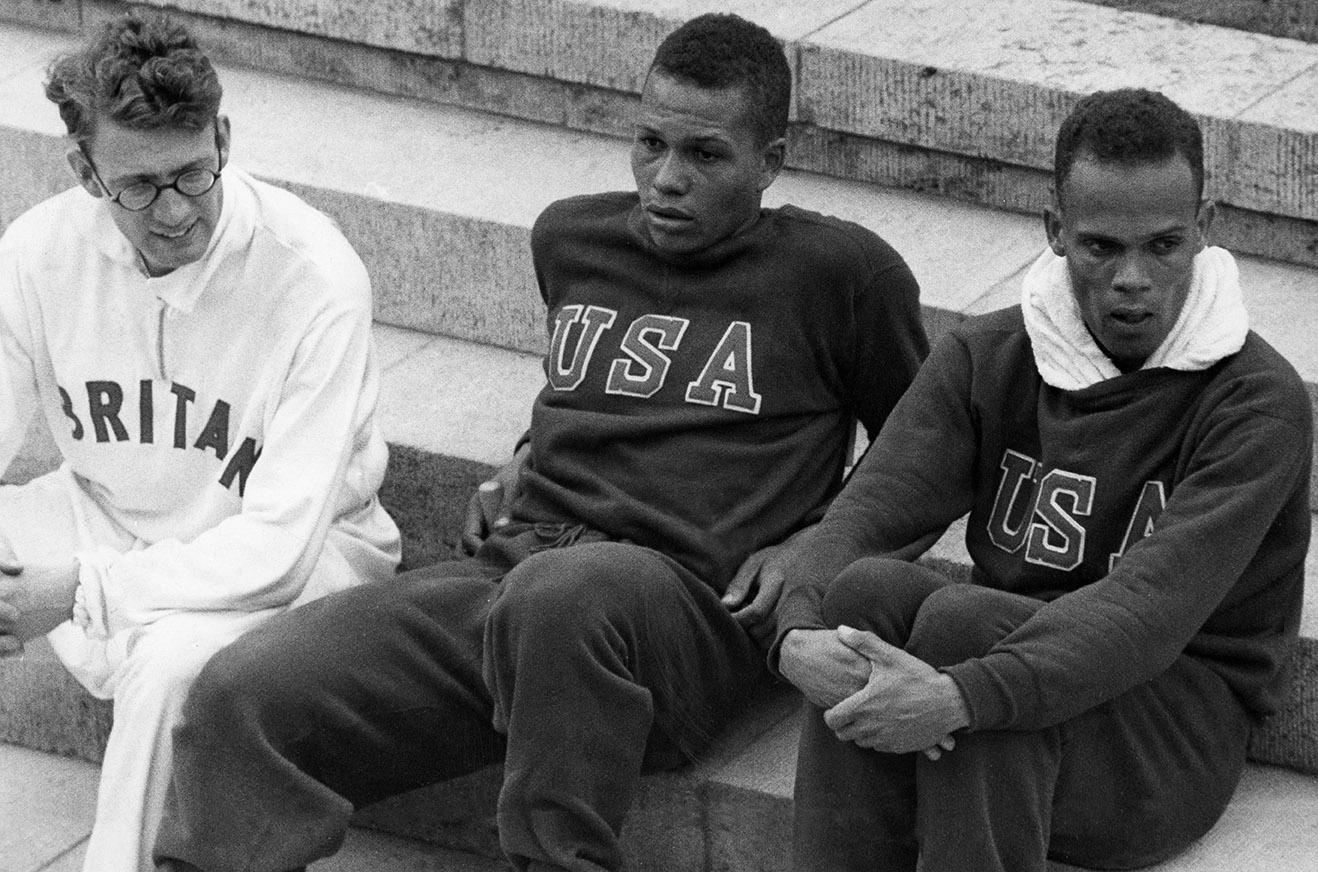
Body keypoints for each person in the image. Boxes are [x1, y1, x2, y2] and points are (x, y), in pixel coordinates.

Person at [150, 12, 928, 872]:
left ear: (769, 163)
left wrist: (818, 546)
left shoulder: (843, 277)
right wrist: (527, 452)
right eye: (649, 143)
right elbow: (605, 383)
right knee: (240, 689)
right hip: (514, 580)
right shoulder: (571, 236)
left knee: (565, 597)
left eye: (705, 155)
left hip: (681, 617)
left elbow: (926, 464)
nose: (667, 178)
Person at [773, 87, 1312, 872]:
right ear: (1055, 229)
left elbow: (1147, 614)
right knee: (862, 598)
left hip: (1165, 725)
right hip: (1004, 659)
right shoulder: (987, 356)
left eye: (1163, 246)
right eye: (1101, 247)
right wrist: (796, 631)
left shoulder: (1257, 402)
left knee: (964, 629)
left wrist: (960, 697)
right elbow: (871, 511)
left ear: (1206, 228)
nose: (1133, 277)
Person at [0, 12, 401, 872]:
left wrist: (80, 594)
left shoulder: (315, 275)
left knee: (173, 663)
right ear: (83, 169)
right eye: (138, 187)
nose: (175, 210)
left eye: (193, 173)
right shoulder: (37, 253)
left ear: (222, 135)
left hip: (305, 557)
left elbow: (278, 548)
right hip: (113, 522)